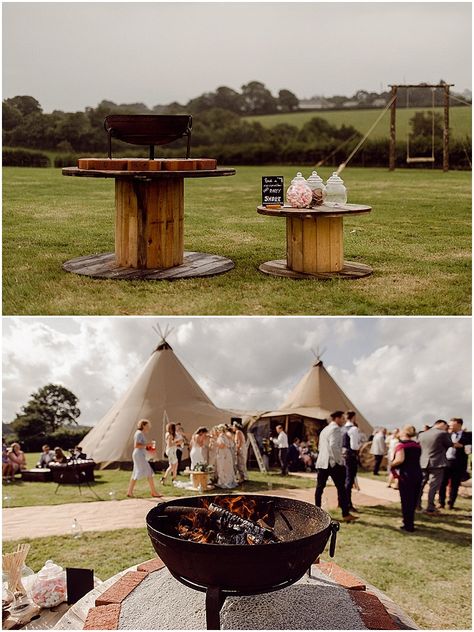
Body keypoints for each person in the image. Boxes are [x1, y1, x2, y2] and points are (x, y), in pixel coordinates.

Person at [315, 411, 358, 522]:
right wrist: (339, 461)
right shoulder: (335, 429)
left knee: (320, 488)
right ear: (337, 418)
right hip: (332, 463)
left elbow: (320, 446)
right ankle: (345, 513)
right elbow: (334, 446)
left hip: (322, 462)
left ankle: (316, 512)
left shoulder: (325, 429)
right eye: (342, 418)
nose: (344, 420)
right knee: (341, 488)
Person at [390, 425, 422, 532]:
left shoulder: (401, 445)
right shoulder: (417, 445)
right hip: (417, 473)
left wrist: (391, 464)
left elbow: (400, 459)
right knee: (413, 500)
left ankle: (408, 525)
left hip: (407, 475)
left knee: (406, 501)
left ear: (404, 433)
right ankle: (410, 521)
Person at [418, 419, 453, 515]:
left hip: (423, 462)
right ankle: (430, 507)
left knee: (421, 484)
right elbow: (450, 444)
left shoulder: (422, 434)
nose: (447, 428)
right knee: (433, 486)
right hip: (437, 463)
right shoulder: (442, 433)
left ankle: (417, 504)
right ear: (441, 424)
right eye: (446, 426)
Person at [438, 418, 471, 510]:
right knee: (442, 483)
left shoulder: (469, 435)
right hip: (445, 462)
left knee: (455, 484)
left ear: (459, 425)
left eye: (452, 425)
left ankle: (451, 503)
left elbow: (470, 448)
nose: (450, 426)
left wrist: (463, 446)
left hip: (459, 463)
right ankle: (441, 502)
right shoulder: (446, 435)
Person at [126, 419, 161, 498]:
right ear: (143, 425)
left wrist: (148, 447)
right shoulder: (139, 434)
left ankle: (129, 492)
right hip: (139, 455)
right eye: (148, 426)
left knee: (136, 472)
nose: (149, 427)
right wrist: (148, 444)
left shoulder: (140, 433)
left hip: (139, 454)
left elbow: (141, 446)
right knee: (149, 471)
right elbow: (137, 445)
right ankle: (154, 492)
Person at [342, 411, 360, 512]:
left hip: (342, 456)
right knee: (349, 480)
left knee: (344, 480)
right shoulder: (354, 429)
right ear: (353, 417)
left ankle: (342, 502)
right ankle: (348, 504)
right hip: (350, 456)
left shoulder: (342, 428)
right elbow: (354, 446)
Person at [215, 424, 238, 489]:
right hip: (227, 453)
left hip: (223, 453)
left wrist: (216, 444)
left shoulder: (221, 437)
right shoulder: (226, 436)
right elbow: (231, 444)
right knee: (227, 467)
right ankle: (228, 480)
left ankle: (224, 482)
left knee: (222, 467)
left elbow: (222, 445)